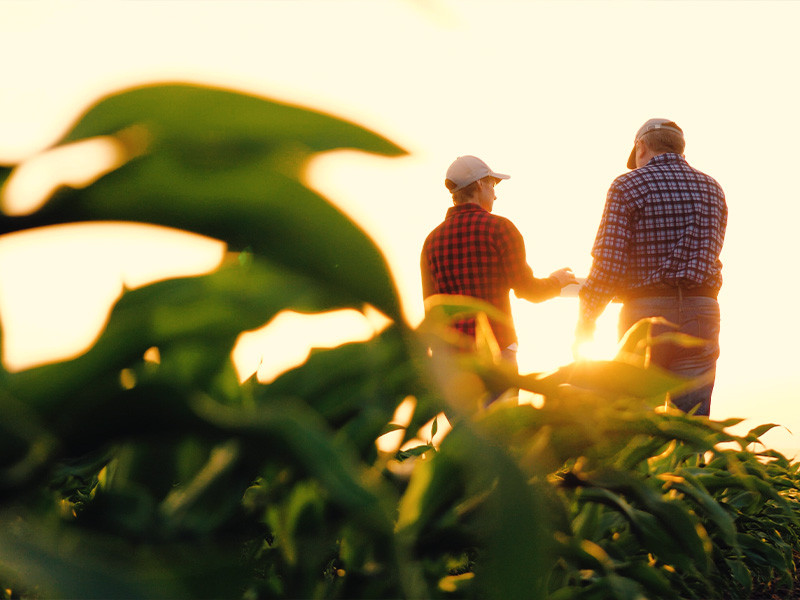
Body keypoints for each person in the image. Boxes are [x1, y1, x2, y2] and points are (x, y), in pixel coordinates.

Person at [574, 119, 727, 416]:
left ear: (641, 147)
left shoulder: (627, 185)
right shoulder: (713, 189)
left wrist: (587, 320)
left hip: (645, 313)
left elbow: (608, 265)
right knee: (691, 424)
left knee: (637, 420)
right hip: (702, 310)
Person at [421, 155, 577, 381]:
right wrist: (557, 281)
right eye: (492, 184)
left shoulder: (431, 241)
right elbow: (528, 290)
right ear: (479, 185)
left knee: (465, 419)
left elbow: (431, 309)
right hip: (497, 350)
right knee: (500, 416)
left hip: (451, 361)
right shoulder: (500, 229)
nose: (495, 193)